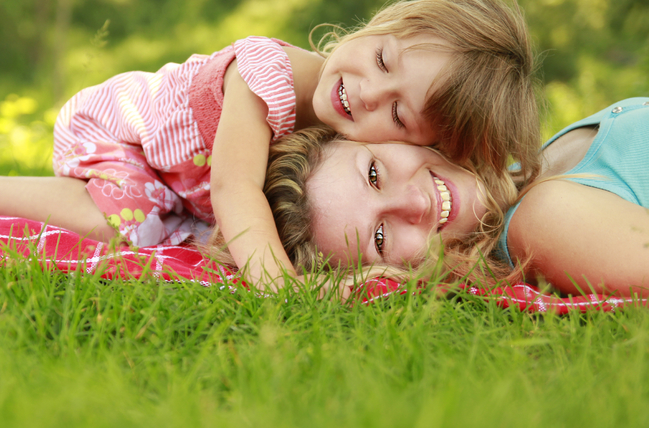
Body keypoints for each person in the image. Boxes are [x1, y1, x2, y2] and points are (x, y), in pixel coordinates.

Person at [0, 0, 540, 289]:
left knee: (186, 234)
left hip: (179, 183)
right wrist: (279, 289)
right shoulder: (270, 77)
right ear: (382, 22)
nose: (366, 91)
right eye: (384, 60)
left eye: (398, 117)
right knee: (128, 226)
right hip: (125, 134)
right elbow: (232, 186)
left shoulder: (343, 127)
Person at [263, 100, 649, 298]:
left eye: (374, 174)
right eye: (380, 238)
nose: (414, 204)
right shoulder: (541, 220)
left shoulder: (524, 171)